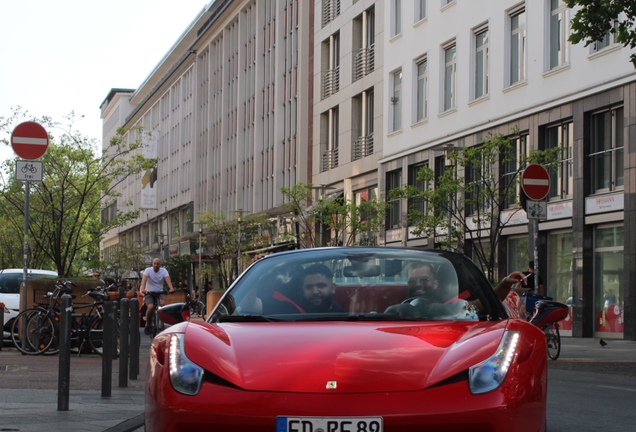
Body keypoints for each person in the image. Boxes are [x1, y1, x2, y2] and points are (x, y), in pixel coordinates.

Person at [386, 263, 526, 319]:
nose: (418, 285)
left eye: (424, 280)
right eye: (412, 281)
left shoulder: (455, 308)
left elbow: (486, 303)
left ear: (435, 284)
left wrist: (504, 284)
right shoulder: (392, 312)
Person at [267, 264, 343, 314]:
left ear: (333, 288)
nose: (315, 292)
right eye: (309, 287)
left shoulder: (343, 316)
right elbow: (257, 306)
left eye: (321, 286)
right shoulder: (290, 310)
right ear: (303, 289)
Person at [139, 258, 175, 334]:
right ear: (152, 264)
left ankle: (161, 323)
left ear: (160, 265)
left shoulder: (164, 271)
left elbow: (168, 280)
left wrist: (171, 288)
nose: (156, 265)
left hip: (159, 292)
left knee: (162, 304)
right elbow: (144, 281)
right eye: (154, 263)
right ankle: (147, 324)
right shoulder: (148, 270)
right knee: (150, 307)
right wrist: (143, 289)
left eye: (158, 264)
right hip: (149, 292)